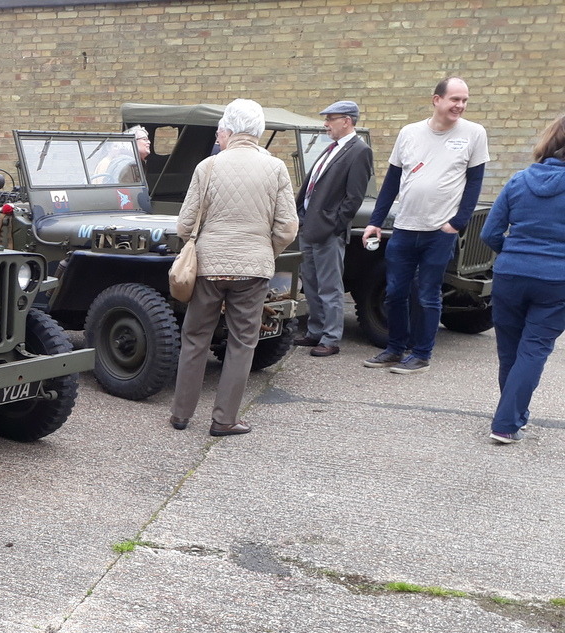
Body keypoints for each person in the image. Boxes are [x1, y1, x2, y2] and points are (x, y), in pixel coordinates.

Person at [169, 99, 299, 437]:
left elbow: (184, 225)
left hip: (209, 267)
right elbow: (287, 228)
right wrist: (263, 251)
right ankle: (224, 420)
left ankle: (181, 414)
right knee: (243, 342)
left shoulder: (207, 166)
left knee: (195, 337)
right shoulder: (276, 168)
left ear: (228, 130)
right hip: (253, 270)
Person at [362, 78, 489, 374]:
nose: (460, 105)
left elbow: (475, 183)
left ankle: (421, 355)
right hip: (405, 227)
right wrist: (375, 222)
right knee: (395, 292)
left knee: (427, 294)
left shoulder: (474, 134)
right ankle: (394, 349)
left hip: (439, 231)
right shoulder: (409, 133)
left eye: (465, 100)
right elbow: (392, 180)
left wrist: (458, 222)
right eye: (454, 99)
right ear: (436, 100)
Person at [479, 114, 565, 444]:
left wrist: (513, 252)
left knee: (510, 352)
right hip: (555, 279)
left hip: (510, 275)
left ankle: (514, 415)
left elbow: (490, 232)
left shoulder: (519, 180)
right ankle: (506, 423)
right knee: (533, 352)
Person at [294, 99, 374, 357]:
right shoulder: (332, 148)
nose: (326, 124)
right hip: (309, 226)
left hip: (328, 230)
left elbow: (354, 197)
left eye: (331, 119)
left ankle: (330, 338)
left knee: (329, 286)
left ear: (347, 121)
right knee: (312, 283)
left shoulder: (358, 151)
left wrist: (335, 225)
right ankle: (315, 331)